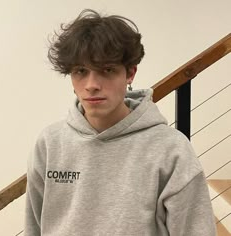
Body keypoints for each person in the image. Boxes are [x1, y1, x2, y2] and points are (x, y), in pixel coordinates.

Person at [24, 9, 216, 236]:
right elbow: (34, 228)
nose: (92, 84)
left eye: (107, 70)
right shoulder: (50, 143)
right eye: (81, 71)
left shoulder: (170, 149)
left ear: (130, 73)